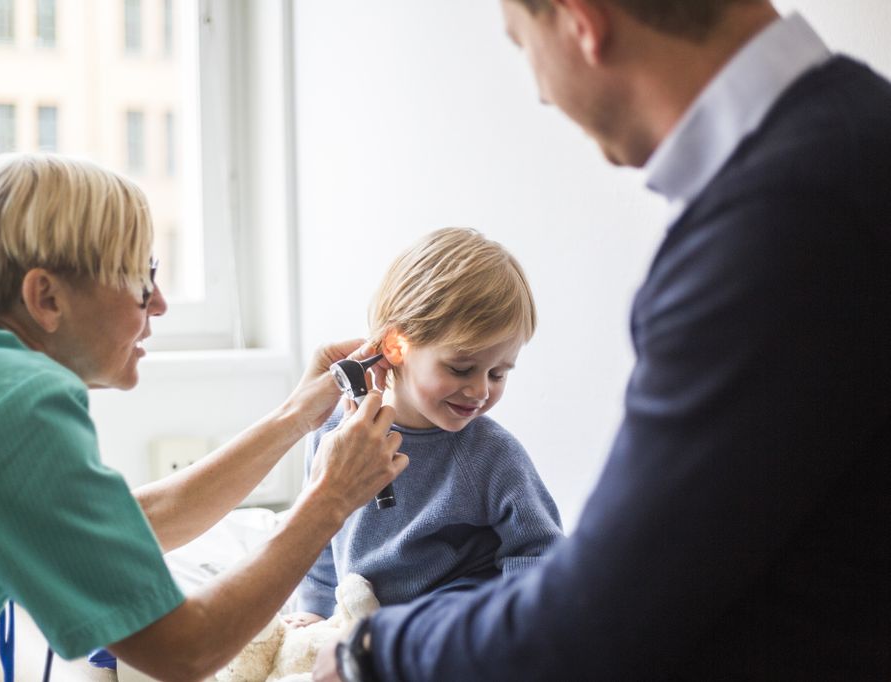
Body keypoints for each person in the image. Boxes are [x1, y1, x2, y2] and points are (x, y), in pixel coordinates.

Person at [316, 1, 891, 679]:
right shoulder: (857, 138)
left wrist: (373, 648)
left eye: (521, 43)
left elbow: (598, 614)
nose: (536, 89)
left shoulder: (778, 222)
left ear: (580, 21)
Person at [0, 153, 407, 681]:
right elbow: (183, 652)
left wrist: (295, 416)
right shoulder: (13, 407)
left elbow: (125, 527)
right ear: (46, 297)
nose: (161, 304)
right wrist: (329, 500)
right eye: (143, 279)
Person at [289, 227, 563, 623]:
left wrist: (513, 628)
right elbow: (315, 534)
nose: (480, 390)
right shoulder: (334, 433)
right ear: (396, 346)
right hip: (359, 617)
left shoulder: (492, 453)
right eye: (461, 368)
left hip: (449, 628)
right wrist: (316, 611)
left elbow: (541, 554)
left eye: (498, 374)